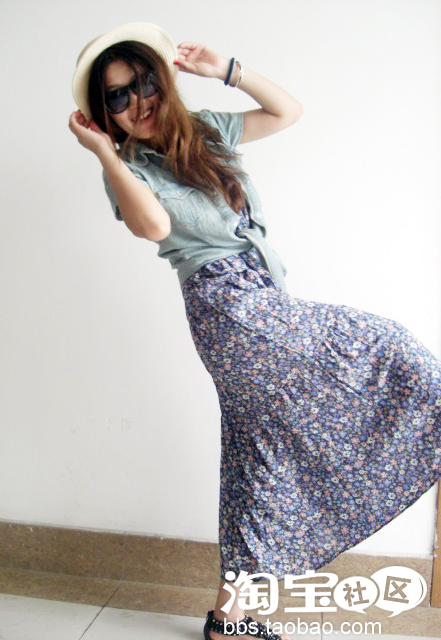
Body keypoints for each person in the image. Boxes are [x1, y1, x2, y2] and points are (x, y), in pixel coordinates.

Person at [69, 22, 441, 640]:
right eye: (117, 96)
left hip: (263, 295)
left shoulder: (207, 130)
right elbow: (154, 227)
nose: (138, 101)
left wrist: (227, 69)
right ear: (104, 113)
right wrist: (106, 154)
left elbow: (287, 111)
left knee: (257, 463)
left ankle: (229, 619)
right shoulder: (127, 168)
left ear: (162, 81)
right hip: (227, 309)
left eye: (144, 82)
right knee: (384, 343)